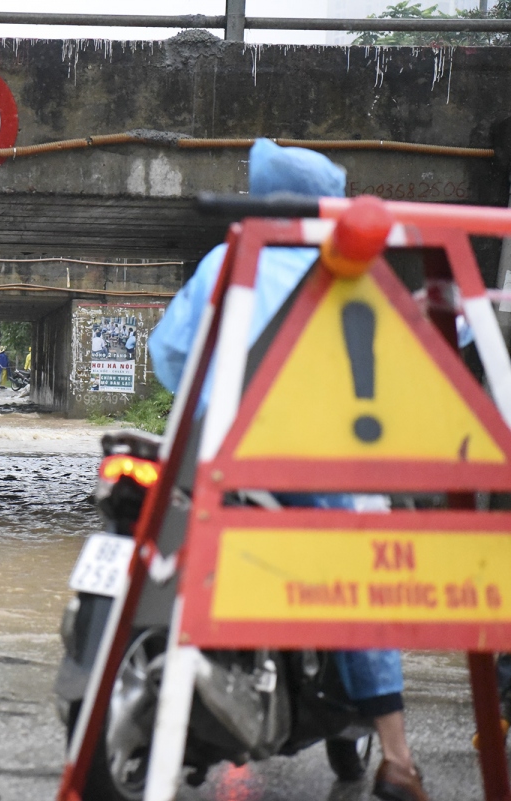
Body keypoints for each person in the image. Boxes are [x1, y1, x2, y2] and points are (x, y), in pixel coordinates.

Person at [149, 139, 429, 801]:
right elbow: (381, 384)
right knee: (354, 582)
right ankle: (396, 757)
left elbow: (171, 354)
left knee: (159, 555)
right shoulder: (348, 275)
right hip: (304, 456)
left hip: (204, 454)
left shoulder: (224, 260)